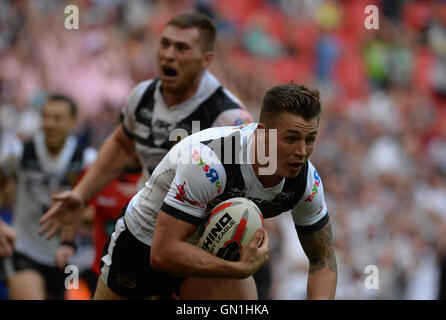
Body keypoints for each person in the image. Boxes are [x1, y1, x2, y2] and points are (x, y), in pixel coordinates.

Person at [40, 83, 338, 300]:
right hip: (142, 246)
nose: (302, 151)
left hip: (206, 257)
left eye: (310, 138)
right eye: (291, 138)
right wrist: (237, 270)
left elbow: (323, 259)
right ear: (261, 132)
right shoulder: (210, 161)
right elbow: (163, 253)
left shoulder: (306, 182)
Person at [1, 95, 97, 299]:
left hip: (68, 256)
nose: (50, 124)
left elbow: (99, 209)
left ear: (72, 122)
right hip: (25, 250)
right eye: (46, 117)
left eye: (57, 118)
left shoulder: (88, 160)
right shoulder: (20, 154)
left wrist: (73, 213)